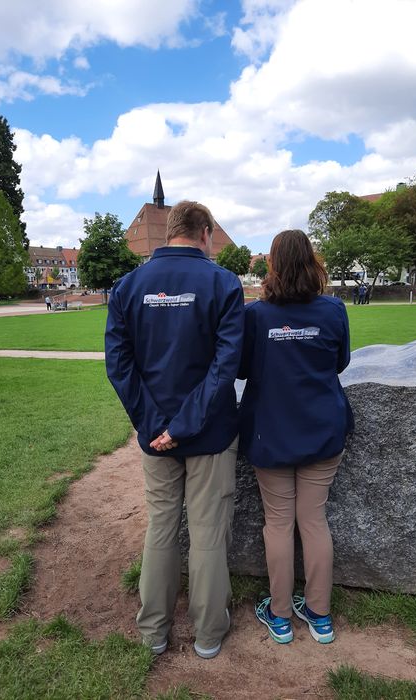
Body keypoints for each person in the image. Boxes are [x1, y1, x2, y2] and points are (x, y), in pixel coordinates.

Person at [105, 200, 244, 659]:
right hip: (208, 433)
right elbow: (226, 368)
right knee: (206, 532)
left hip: (160, 434)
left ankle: (154, 630)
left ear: (170, 233)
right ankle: (207, 633)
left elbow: (119, 366)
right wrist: (178, 426)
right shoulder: (223, 283)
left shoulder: (128, 287)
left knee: (162, 527)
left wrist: (157, 427)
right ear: (204, 233)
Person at [238, 229, 354, 646]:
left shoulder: (256, 316)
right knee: (313, 520)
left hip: (271, 433)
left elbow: (240, 369)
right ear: (312, 262)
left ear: (272, 264)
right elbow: (339, 361)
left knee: (280, 523)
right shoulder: (333, 310)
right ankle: (320, 616)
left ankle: (281, 614)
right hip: (322, 431)